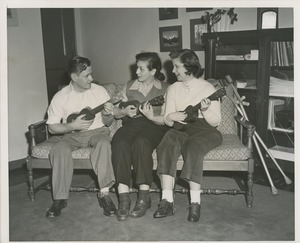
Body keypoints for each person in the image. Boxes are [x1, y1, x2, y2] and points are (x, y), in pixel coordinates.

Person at [153, 49, 222, 223]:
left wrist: (205, 111)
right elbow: (168, 119)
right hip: (181, 127)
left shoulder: (208, 88)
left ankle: (195, 203)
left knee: (193, 146)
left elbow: (215, 122)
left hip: (205, 129)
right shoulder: (173, 88)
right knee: (167, 143)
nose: (173, 71)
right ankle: (167, 200)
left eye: (177, 67)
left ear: (189, 67)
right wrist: (171, 117)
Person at [46, 56, 116, 218]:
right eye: (87, 76)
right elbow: (52, 127)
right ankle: (60, 198)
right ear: (74, 77)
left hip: (98, 132)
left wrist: (108, 113)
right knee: (58, 148)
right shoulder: (60, 96)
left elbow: (108, 122)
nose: (92, 78)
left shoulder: (99, 91)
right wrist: (72, 126)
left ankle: (105, 194)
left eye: (91, 74)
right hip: (71, 136)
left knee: (104, 144)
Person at [111, 52, 169, 221]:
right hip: (131, 124)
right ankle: (124, 198)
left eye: (141, 68)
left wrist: (154, 116)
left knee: (141, 142)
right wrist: (123, 111)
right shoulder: (129, 86)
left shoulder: (165, 88)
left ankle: (144, 197)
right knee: (119, 141)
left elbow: (167, 116)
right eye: (136, 67)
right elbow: (114, 112)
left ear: (153, 71)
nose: (136, 72)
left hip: (155, 125)